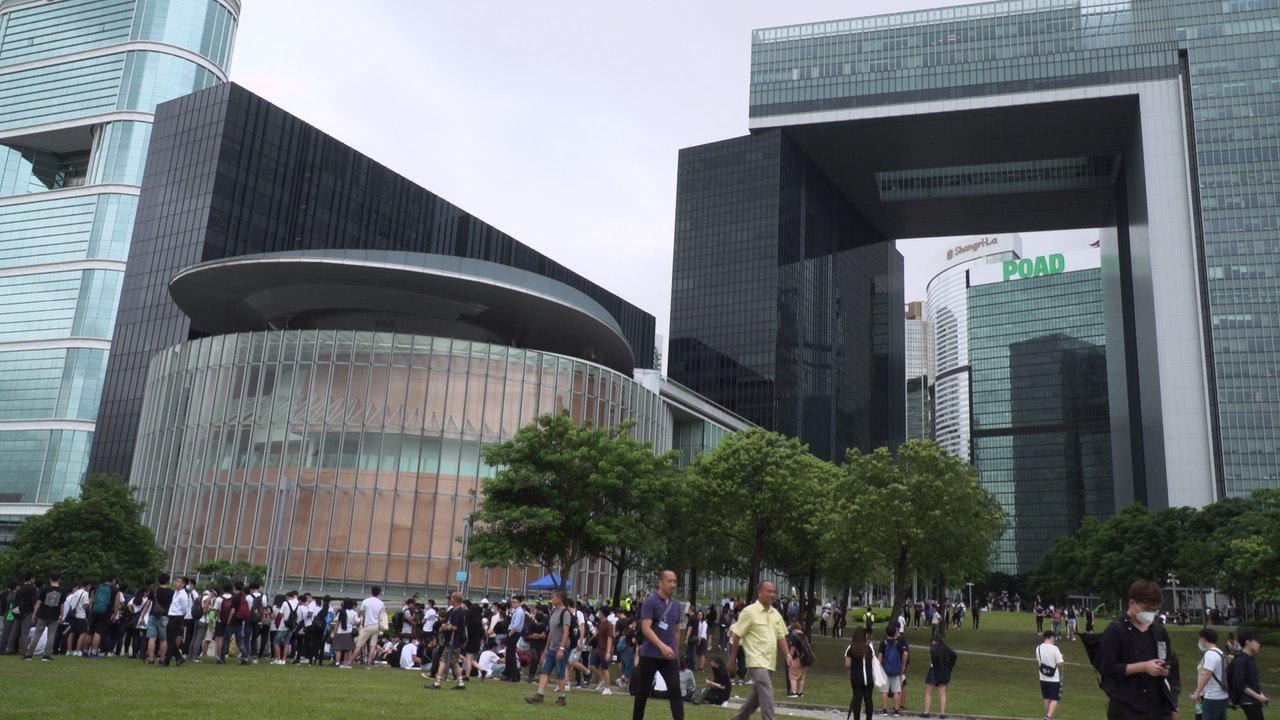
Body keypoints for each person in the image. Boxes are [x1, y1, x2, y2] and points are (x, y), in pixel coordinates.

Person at [1097, 579, 1176, 720]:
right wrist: (1143, 667)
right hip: (1127, 708)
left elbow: (1168, 660)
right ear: (1132, 603)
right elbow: (1108, 668)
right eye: (1147, 609)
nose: (1151, 613)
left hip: (1158, 707)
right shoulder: (1115, 631)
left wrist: (1165, 669)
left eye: (1154, 609)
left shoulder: (1159, 631)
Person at [728, 580, 791, 720]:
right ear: (759, 592)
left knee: (757, 696)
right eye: (768, 591)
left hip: (770, 661)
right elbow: (737, 635)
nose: (772, 594)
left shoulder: (776, 614)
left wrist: (787, 654)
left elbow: (781, 636)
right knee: (767, 691)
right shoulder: (749, 612)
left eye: (774, 591)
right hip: (756, 660)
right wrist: (732, 659)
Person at [631, 569, 685, 720]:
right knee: (643, 691)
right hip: (650, 654)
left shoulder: (676, 605)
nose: (673, 584)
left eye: (674, 581)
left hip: (669, 656)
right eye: (669, 581)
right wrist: (662, 646)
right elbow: (646, 628)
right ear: (660, 582)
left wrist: (675, 651)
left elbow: (676, 630)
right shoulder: (650, 602)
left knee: (675, 690)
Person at [526, 589, 572, 706]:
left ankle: (562, 698)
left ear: (560, 599)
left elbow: (566, 632)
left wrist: (561, 649)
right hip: (552, 648)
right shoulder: (554, 612)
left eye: (554, 597)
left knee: (560, 673)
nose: (552, 599)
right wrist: (546, 648)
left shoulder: (565, 613)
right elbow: (551, 632)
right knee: (544, 671)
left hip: (560, 648)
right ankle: (539, 695)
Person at [425, 592, 467, 690]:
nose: (450, 600)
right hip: (453, 641)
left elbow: (454, 627)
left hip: (452, 641)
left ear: (455, 599)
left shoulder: (458, 612)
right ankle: (460, 683)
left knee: (443, 660)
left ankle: (437, 682)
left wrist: (445, 627)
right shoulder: (455, 611)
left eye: (451, 598)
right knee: (454, 662)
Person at [1190, 628, 1229, 720]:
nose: (1199, 641)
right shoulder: (1221, 653)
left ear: (1204, 639)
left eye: (1200, 639)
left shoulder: (1210, 654)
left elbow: (1207, 674)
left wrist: (1196, 693)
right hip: (1223, 695)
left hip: (1212, 696)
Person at [22, 572, 61, 661]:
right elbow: (61, 604)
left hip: (42, 614)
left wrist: (35, 613)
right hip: (54, 614)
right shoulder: (61, 591)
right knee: (51, 635)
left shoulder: (44, 589)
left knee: (37, 634)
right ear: (59, 579)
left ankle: (29, 654)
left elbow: (39, 602)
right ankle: (46, 655)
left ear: (50, 579)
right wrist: (62, 615)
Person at [1232, 630, 1269, 720]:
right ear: (1247, 642)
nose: (1258, 645)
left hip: (1254, 701)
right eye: (1256, 642)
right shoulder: (1241, 660)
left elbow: (1252, 681)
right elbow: (1240, 684)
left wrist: (1261, 695)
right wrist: (1258, 697)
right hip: (1249, 701)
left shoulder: (1250, 659)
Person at [878, 621, 910, 717]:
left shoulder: (883, 643)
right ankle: (896, 710)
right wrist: (902, 665)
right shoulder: (898, 643)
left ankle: (884, 710)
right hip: (896, 670)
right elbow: (905, 654)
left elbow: (880, 656)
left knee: (885, 691)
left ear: (887, 632)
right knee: (896, 690)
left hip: (885, 669)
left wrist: (878, 667)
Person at [923, 631, 957, 719]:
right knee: (942, 693)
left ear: (933, 641)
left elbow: (934, 657)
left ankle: (926, 712)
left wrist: (936, 663)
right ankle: (942, 713)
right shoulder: (946, 648)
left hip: (934, 669)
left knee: (929, 692)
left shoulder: (933, 648)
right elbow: (954, 655)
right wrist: (949, 666)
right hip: (944, 671)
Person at [844, 627, 876, 720]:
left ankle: (856, 718)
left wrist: (852, 669)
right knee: (868, 698)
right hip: (869, 677)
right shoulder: (869, 647)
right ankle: (869, 718)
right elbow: (874, 661)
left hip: (856, 677)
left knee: (857, 698)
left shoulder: (851, 648)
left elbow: (847, 664)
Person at [1037, 630, 1065, 720]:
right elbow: (1060, 663)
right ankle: (1048, 716)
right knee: (1054, 699)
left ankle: (1047, 716)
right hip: (1053, 678)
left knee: (1046, 698)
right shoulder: (1054, 648)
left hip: (1042, 677)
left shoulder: (1038, 648)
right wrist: (1062, 658)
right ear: (1052, 637)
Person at [355, 585, 384, 669]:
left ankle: (349, 662)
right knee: (373, 645)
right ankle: (369, 662)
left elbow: (361, 612)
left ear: (371, 591)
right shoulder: (381, 603)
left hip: (368, 625)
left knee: (359, 644)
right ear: (379, 593)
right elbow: (381, 615)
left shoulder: (366, 601)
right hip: (376, 626)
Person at [591, 604, 616, 694]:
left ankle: (607, 688)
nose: (598, 613)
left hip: (605, 650)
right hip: (598, 649)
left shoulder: (609, 625)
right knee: (592, 666)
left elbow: (610, 638)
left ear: (602, 613)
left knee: (605, 668)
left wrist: (608, 652)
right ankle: (602, 681)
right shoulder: (600, 623)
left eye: (599, 612)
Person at [786, 621, 813, 698]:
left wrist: (789, 657)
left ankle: (794, 693)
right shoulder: (804, 636)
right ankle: (800, 693)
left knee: (793, 675)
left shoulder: (794, 636)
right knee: (802, 677)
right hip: (805, 658)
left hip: (797, 658)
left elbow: (793, 648)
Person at [504, 595, 526, 681]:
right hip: (513, 632)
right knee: (509, 654)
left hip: (514, 633)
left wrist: (509, 635)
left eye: (515, 602)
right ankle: (509, 674)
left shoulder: (519, 612)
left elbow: (516, 626)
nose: (513, 604)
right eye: (512, 602)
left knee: (511, 654)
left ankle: (514, 675)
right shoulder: (516, 611)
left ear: (519, 603)